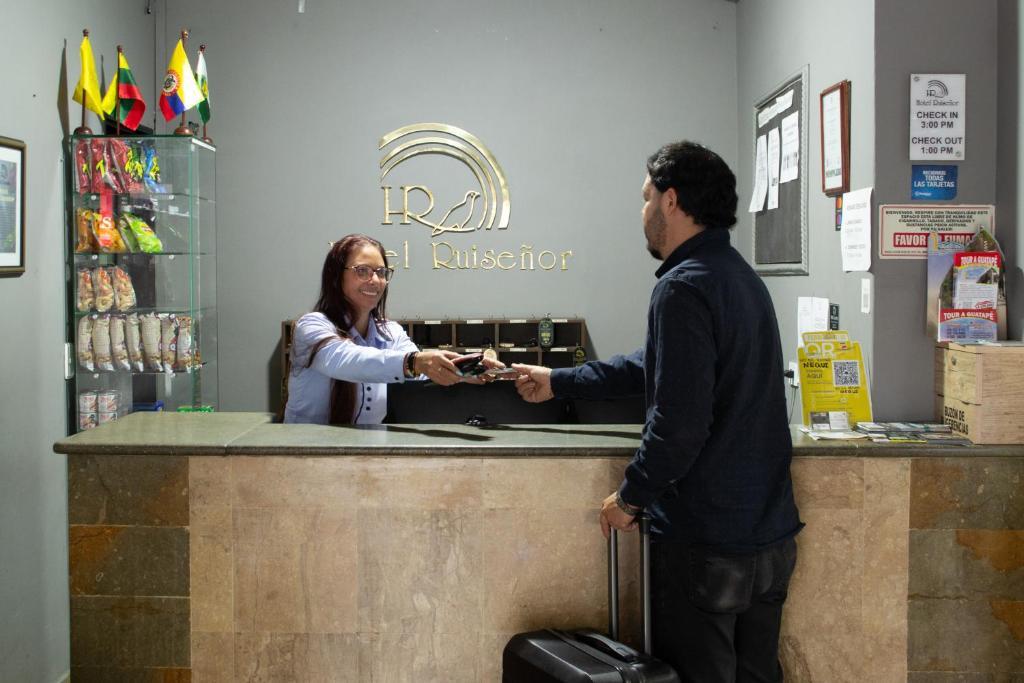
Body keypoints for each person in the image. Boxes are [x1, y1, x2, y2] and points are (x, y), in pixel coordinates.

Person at [514, 141, 802, 682]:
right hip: (769, 540)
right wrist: (558, 381)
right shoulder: (741, 277)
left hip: (706, 543)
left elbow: (679, 424)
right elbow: (655, 365)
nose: (642, 211)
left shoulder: (682, 287)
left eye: (646, 198)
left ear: (671, 201)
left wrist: (630, 496)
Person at [284, 234, 498, 424]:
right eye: (362, 271)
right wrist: (414, 361)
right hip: (307, 454)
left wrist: (467, 371)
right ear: (336, 276)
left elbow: (420, 374)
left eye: (381, 272)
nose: (375, 280)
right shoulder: (312, 326)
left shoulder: (390, 331)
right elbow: (347, 360)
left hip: (369, 454)